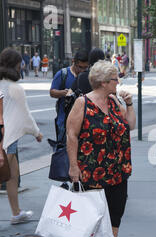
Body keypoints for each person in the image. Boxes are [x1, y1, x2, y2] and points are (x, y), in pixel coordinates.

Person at [66, 60, 136, 237]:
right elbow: (71, 135)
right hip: (91, 167)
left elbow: (130, 125)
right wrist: (73, 166)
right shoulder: (83, 103)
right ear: (104, 82)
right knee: (90, 211)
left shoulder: (115, 102)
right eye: (115, 79)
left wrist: (130, 104)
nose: (118, 82)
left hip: (117, 167)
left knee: (116, 208)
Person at [0, 48, 43, 224]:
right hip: (6, 138)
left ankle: (17, 212)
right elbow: (24, 115)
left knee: (12, 175)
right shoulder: (15, 88)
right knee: (5, 174)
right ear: (17, 65)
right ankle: (16, 213)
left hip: (6, 136)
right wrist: (36, 132)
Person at [50, 50, 89, 142]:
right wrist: (64, 93)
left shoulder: (88, 76)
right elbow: (52, 92)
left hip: (84, 122)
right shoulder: (63, 74)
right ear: (73, 62)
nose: (82, 70)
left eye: (85, 67)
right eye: (80, 67)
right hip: (64, 121)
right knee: (63, 151)